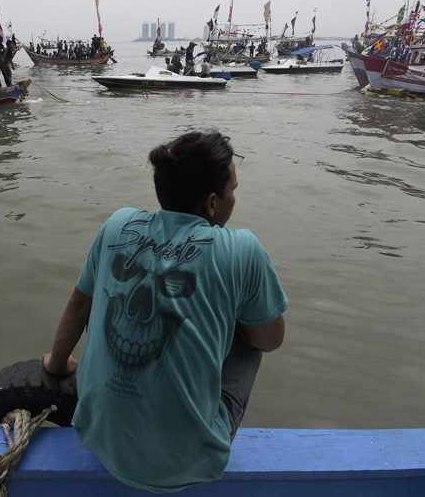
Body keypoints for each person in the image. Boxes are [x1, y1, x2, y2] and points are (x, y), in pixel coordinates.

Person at [43, 130, 287, 493]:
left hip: (94, 433)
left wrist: (57, 365)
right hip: (187, 461)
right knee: (252, 328)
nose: (234, 198)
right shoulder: (242, 249)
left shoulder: (118, 224)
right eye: (232, 190)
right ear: (211, 203)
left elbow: (79, 303)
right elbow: (271, 340)